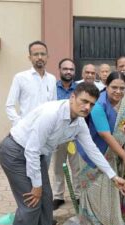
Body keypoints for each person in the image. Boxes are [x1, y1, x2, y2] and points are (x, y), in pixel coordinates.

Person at [0, 82, 125, 225]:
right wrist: (36, 185)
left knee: (45, 197)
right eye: (84, 101)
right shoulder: (51, 114)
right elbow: (31, 149)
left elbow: (92, 150)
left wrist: (113, 176)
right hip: (16, 153)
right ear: (72, 97)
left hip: (36, 155)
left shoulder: (78, 122)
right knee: (31, 203)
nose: (87, 107)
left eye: (92, 104)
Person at [76, 72, 125, 225]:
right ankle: (94, 220)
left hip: (114, 152)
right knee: (94, 187)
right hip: (93, 150)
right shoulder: (99, 104)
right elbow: (104, 134)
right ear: (107, 86)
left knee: (108, 187)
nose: (118, 91)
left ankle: (110, 214)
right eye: (114, 87)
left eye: (122, 88)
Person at [5, 40, 57, 126]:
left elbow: (54, 105)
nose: (40, 57)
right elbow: (9, 105)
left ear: (47, 57)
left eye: (43, 54)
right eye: (36, 54)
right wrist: (19, 123)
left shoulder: (52, 79)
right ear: (30, 58)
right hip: (27, 128)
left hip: (47, 127)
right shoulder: (20, 78)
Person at [52, 58, 79, 210]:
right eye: (65, 69)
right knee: (58, 167)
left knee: (76, 168)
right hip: (57, 135)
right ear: (60, 70)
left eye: (71, 69)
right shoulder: (52, 88)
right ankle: (58, 196)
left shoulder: (79, 89)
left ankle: (78, 195)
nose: (68, 72)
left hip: (74, 134)